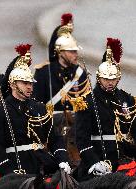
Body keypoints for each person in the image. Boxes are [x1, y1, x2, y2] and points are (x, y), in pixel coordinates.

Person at [0, 44, 71, 176]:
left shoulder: (40, 108)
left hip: (43, 163)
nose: (29, 87)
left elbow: (55, 138)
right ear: (13, 84)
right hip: (16, 166)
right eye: (25, 83)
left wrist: (62, 160)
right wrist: (10, 173)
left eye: (31, 83)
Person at [75, 38, 136, 181]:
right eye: (106, 79)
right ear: (99, 78)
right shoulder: (86, 102)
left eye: (113, 79)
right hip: (99, 160)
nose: (110, 83)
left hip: (124, 159)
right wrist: (94, 163)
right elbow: (82, 140)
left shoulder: (127, 99)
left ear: (118, 78)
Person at [33, 13, 90, 166]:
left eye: (76, 51)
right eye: (72, 52)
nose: (75, 54)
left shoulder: (81, 73)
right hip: (52, 124)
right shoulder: (44, 72)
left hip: (77, 124)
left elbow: (87, 101)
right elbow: (36, 103)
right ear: (60, 52)